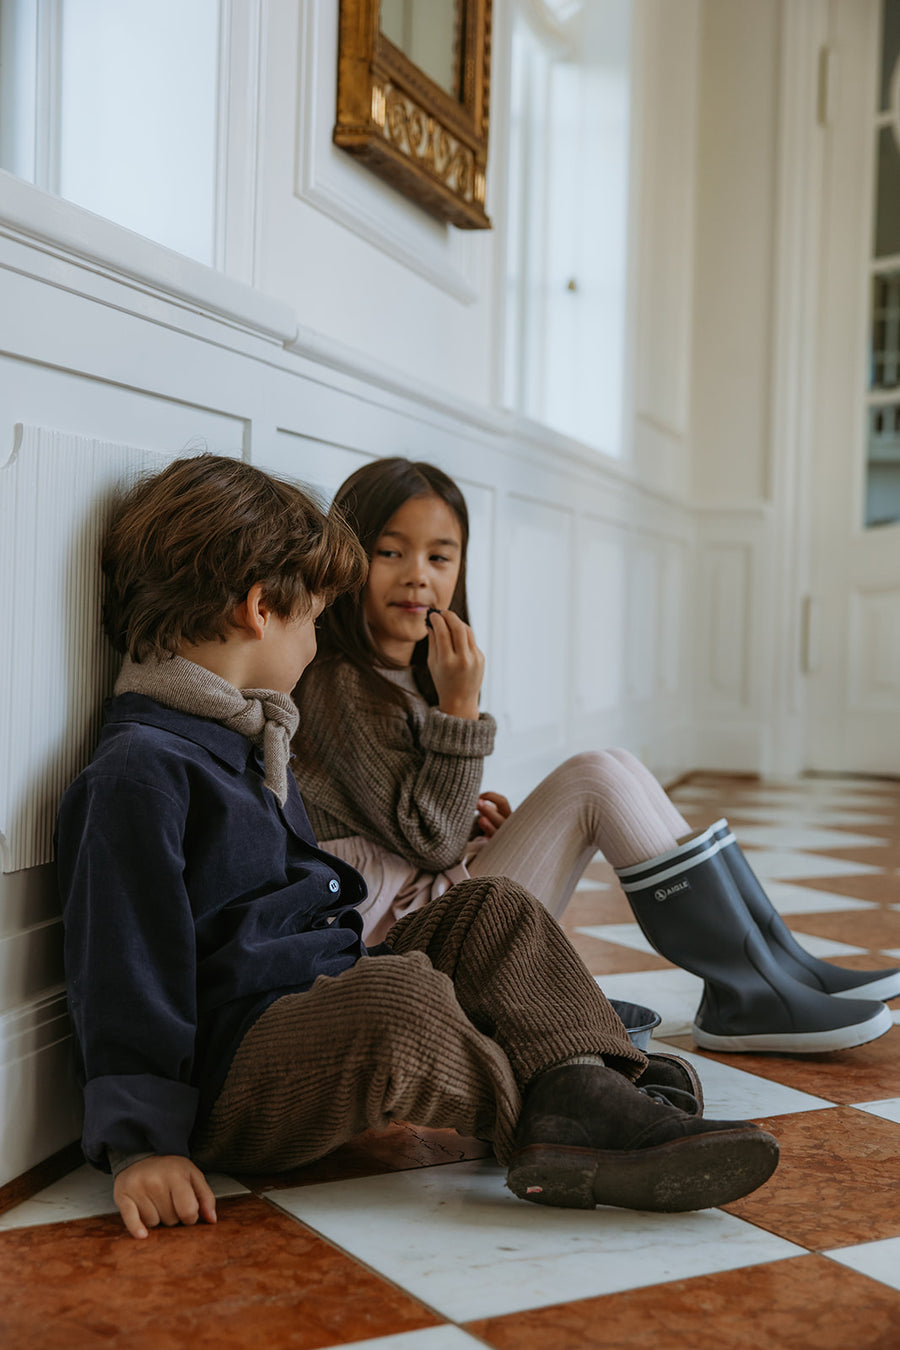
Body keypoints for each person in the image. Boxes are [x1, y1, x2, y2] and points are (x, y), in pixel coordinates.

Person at [56, 453, 779, 1240]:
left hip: (316, 998)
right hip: (238, 1079)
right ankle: (566, 1113)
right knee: (399, 1001)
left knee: (492, 909)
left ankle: (582, 1079)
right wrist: (142, 1144)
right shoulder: (141, 771)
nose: (314, 641)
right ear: (262, 610)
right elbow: (124, 970)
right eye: (312, 620)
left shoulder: (246, 732)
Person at [292, 457, 899, 1056]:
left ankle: (780, 966)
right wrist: (460, 708)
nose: (417, 576)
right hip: (394, 948)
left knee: (612, 765)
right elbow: (430, 842)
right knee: (595, 777)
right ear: (348, 559)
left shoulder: (405, 674)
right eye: (390, 552)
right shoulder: (337, 682)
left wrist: (475, 824)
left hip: (423, 907)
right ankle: (751, 989)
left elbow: (415, 828)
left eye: (440, 556)